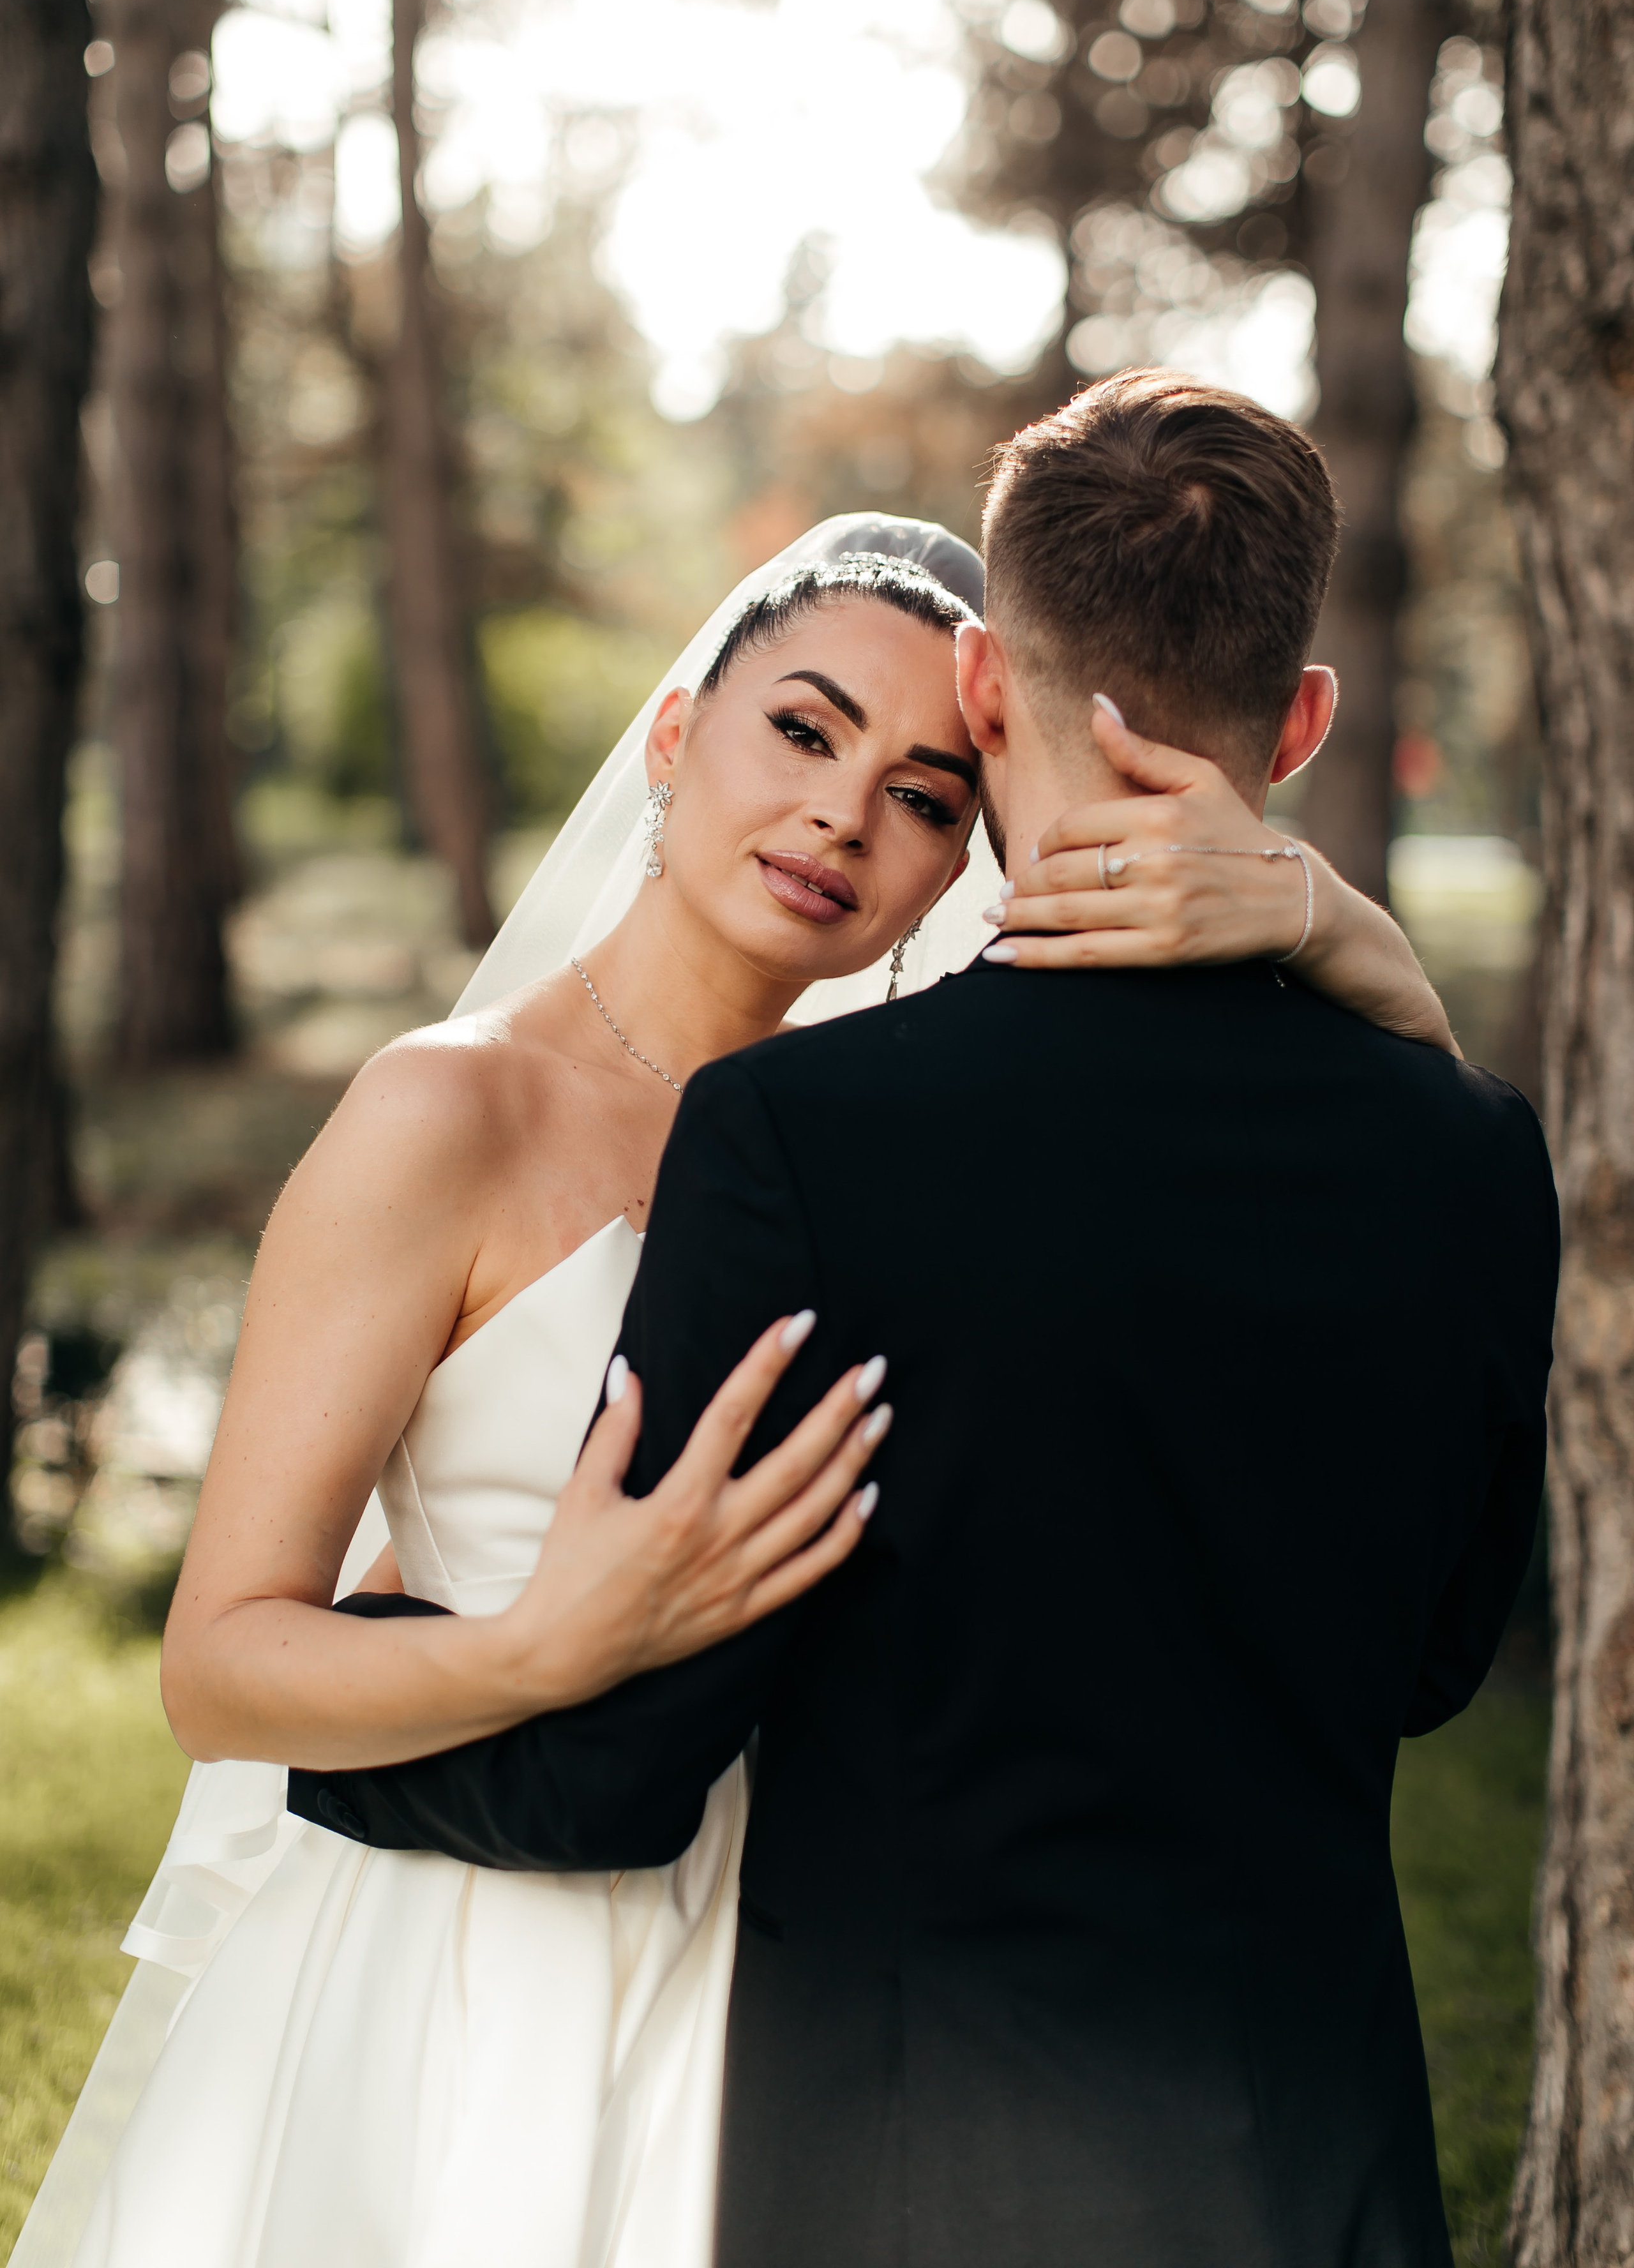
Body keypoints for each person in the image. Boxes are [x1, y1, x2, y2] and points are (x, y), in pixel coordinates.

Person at [19, 491, 1455, 2268]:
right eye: (800, 731)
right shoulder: (442, 1115)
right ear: (678, 733)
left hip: (795, 1989)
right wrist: (538, 1650)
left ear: (967, 853)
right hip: (469, 1958)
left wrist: (1339, 930)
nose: (843, 815)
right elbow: (217, 1663)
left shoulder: (884, 1156)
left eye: (928, 794)